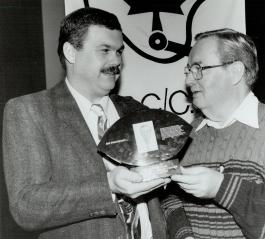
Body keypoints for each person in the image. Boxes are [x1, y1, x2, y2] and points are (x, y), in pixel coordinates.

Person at [2, 7, 170, 239]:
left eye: (119, 51)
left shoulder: (135, 110)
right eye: (105, 50)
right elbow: (26, 206)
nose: (116, 61)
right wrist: (109, 185)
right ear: (71, 52)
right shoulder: (30, 111)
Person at [161, 28, 265, 239]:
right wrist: (183, 233)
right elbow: (170, 201)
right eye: (188, 70)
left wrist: (222, 187)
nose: (189, 81)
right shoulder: (189, 133)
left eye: (198, 68)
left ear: (235, 72)